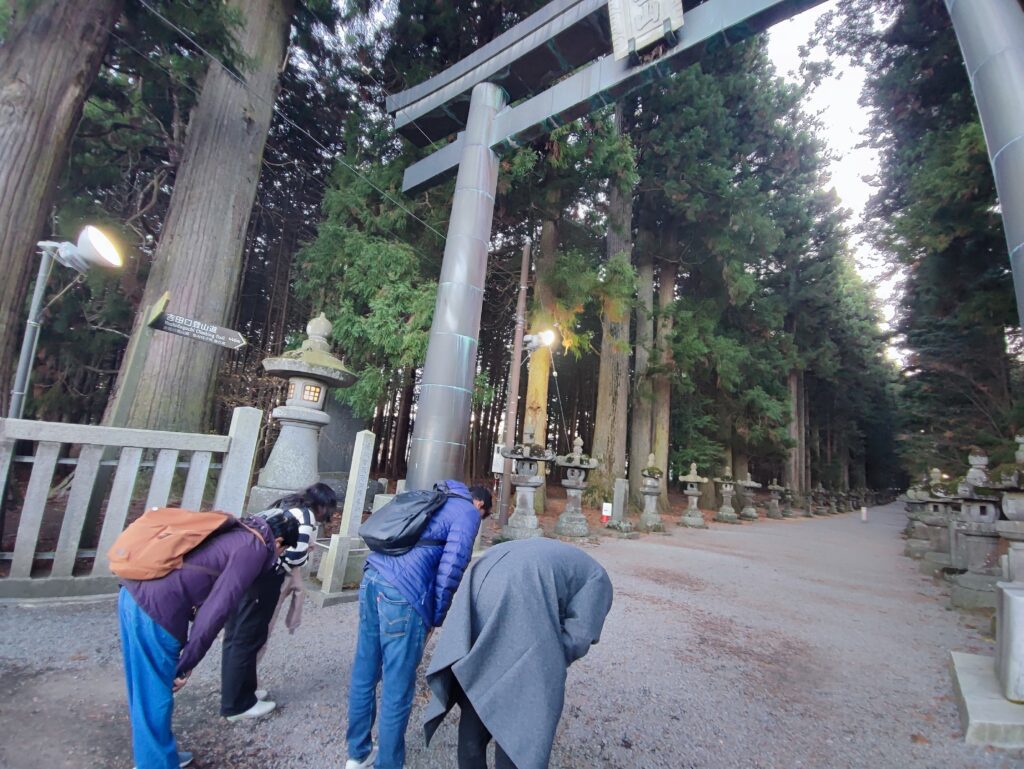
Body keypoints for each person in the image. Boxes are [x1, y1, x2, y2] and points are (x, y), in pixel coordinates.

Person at [118, 510, 299, 769]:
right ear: (279, 542)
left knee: (143, 686)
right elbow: (216, 610)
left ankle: (159, 754)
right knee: (156, 691)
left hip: (134, 592)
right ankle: (154, 764)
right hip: (156, 608)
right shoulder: (254, 549)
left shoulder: (239, 530)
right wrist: (187, 662)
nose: (278, 556)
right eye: (282, 552)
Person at [422, 538, 613, 769]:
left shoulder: (563, 557)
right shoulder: (599, 579)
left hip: (484, 572)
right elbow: (579, 636)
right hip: (519, 587)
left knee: (478, 673)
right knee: (526, 709)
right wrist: (542, 658)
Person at [345, 482, 492, 769]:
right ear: (480, 505)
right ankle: (388, 763)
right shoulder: (467, 512)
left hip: (373, 576)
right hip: (404, 594)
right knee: (397, 684)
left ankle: (358, 753)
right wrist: (435, 616)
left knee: (365, 670)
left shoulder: (436, 497)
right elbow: (452, 567)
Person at [220, 482, 338, 721]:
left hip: (247, 574)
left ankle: (243, 692)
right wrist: (304, 555)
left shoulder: (286, 506)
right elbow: (294, 556)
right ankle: (237, 704)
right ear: (322, 505)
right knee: (248, 638)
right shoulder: (304, 518)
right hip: (264, 579)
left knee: (239, 636)